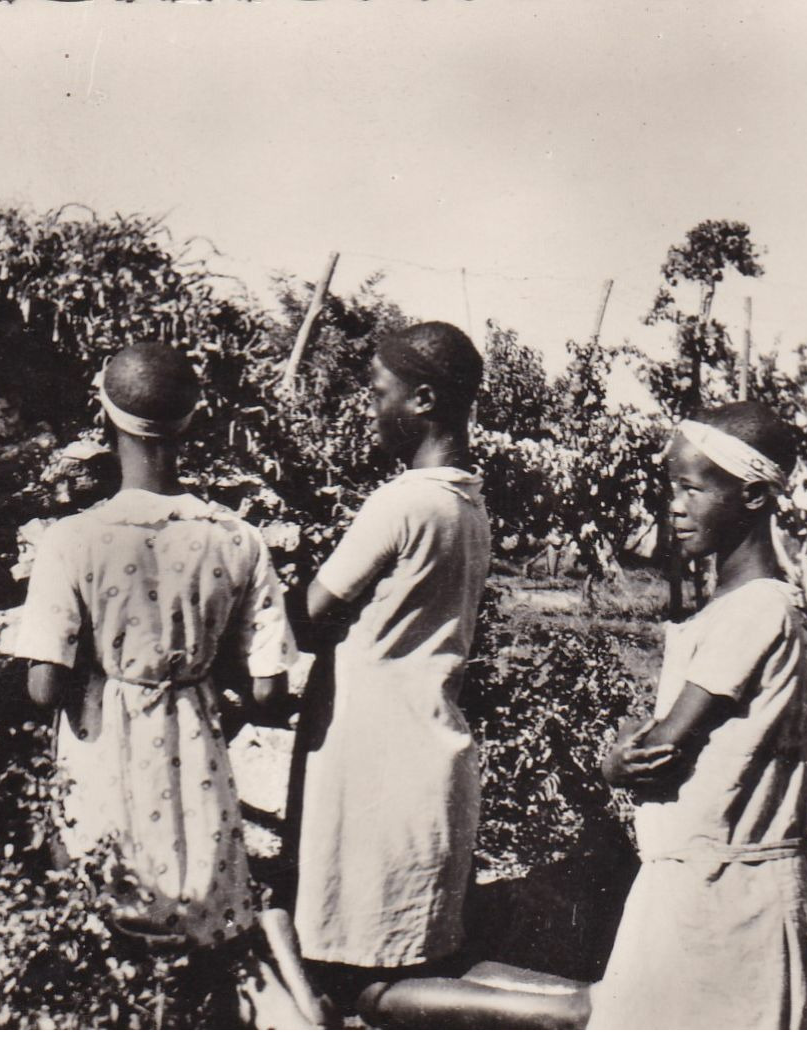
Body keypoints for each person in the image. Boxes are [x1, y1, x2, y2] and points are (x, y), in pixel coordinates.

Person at [0, 342, 299, 957]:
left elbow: (42, 688)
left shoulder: (73, 541)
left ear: (104, 416)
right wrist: (202, 689)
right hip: (197, 746)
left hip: (103, 740)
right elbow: (270, 691)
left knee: (107, 911)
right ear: (192, 422)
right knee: (199, 903)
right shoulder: (236, 539)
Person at [592, 402, 807, 1029]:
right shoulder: (734, 609)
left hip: (725, 893)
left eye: (692, 487)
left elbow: (657, 751)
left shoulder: (753, 612)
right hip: (708, 879)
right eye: (671, 487)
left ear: (750, 496)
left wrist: (616, 760)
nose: (675, 505)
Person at [293, 321, 492, 1003]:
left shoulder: (402, 501)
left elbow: (309, 611)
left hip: (375, 761)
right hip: (424, 747)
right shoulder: (466, 503)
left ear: (424, 399)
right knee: (411, 956)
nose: (371, 407)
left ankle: (566, 1018)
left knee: (365, 982)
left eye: (380, 391)